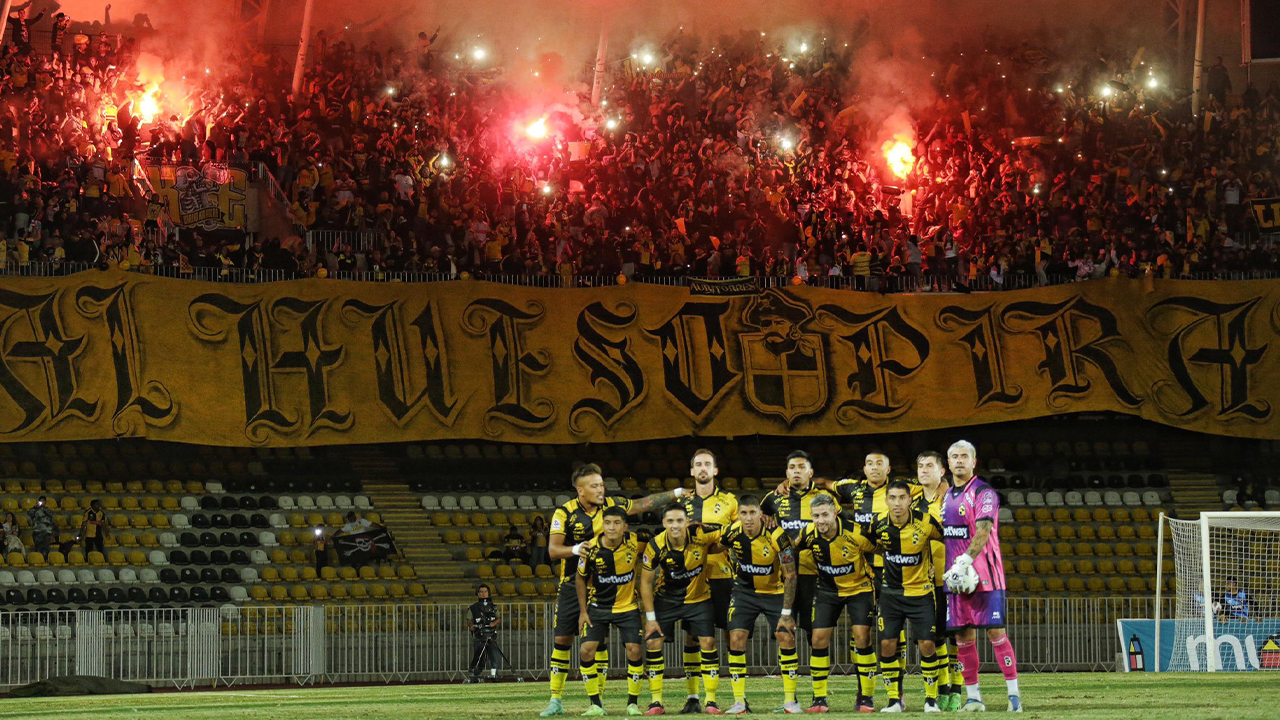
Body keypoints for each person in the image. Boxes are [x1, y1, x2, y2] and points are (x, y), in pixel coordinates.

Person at [541, 465, 691, 717]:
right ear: (580, 490)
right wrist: (576, 549)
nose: (601, 490)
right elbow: (553, 550)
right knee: (563, 640)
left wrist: (676, 493)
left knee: (597, 643)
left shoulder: (613, 504)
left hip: (606, 587)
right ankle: (555, 699)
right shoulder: (565, 512)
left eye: (601, 484)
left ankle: (597, 702)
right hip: (574, 582)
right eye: (594, 486)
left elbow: (644, 504)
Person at [941, 440, 1022, 712]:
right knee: (963, 637)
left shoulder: (983, 492)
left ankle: (1014, 696)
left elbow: (984, 530)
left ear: (974, 462)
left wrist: (964, 561)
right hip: (957, 580)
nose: (959, 460)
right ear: (948, 463)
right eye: (954, 456)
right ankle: (974, 697)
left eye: (964, 456)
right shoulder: (946, 496)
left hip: (985, 576)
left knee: (996, 633)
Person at [793, 493, 876, 713]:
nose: (820, 520)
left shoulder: (855, 532)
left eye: (825, 515)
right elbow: (792, 549)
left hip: (859, 589)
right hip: (827, 590)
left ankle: (866, 697)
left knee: (862, 637)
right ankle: (819, 700)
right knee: (818, 639)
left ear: (835, 513)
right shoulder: (807, 534)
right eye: (816, 516)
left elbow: (879, 549)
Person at [639, 504, 725, 715]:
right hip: (666, 599)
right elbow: (645, 582)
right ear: (663, 523)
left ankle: (710, 701)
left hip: (699, 598)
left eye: (679, 520)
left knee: (707, 642)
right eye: (670, 521)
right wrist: (650, 618)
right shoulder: (655, 545)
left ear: (687, 522)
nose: (675, 525)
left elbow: (730, 532)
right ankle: (656, 702)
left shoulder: (701, 535)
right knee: (653, 642)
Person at [718, 495, 799, 714]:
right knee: (735, 638)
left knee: (785, 636)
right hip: (744, 593)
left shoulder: (777, 535)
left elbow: (790, 574)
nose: (748, 518)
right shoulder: (732, 532)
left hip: (775, 592)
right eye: (743, 513)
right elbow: (716, 546)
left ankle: (790, 701)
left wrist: (786, 612)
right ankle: (739, 702)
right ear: (738, 515)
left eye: (752, 512)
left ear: (760, 514)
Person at [870, 481, 946, 712]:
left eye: (902, 498)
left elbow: (947, 539)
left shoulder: (926, 522)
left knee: (927, 644)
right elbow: (869, 546)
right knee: (887, 644)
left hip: (920, 594)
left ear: (910, 500)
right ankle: (894, 700)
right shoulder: (878, 523)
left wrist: (939, 566)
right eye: (892, 498)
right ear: (886, 500)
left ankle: (931, 700)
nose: (897, 503)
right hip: (890, 595)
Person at [676, 449, 738, 708]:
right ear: (692, 471)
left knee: (731, 634)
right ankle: (693, 698)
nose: (703, 468)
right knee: (693, 637)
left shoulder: (730, 501)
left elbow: (738, 535)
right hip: (692, 578)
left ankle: (738, 697)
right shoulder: (682, 504)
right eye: (698, 464)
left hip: (722, 574)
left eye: (707, 464)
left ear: (715, 470)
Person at [760, 451, 839, 647]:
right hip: (785, 576)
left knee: (816, 634)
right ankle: (789, 667)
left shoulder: (825, 498)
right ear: (786, 473)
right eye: (792, 468)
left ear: (810, 473)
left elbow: (839, 525)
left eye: (802, 467)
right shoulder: (773, 498)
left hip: (816, 575)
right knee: (784, 632)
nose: (797, 471)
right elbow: (756, 515)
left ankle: (817, 667)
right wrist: (764, 516)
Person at [575, 506, 647, 717]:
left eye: (616, 523)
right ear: (602, 525)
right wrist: (583, 611)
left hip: (628, 607)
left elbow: (661, 543)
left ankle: (632, 704)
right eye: (607, 523)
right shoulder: (590, 548)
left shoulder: (636, 542)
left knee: (634, 650)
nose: (611, 527)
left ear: (625, 527)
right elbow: (579, 578)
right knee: (586, 650)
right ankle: (595, 704)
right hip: (598, 607)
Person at [916, 451, 961, 710]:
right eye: (920, 466)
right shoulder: (913, 503)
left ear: (942, 471)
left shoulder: (954, 498)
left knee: (958, 636)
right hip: (926, 581)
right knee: (936, 637)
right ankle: (943, 688)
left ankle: (958, 689)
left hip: (953, 578)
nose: (924, 470)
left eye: (930, 466)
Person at [467, 584, 502, 681]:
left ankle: (495, 675)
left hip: (491, 635)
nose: (483, 594)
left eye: (485, 592)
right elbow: (469, 620)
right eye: (481, 592)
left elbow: (498, 618)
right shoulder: (473, 608)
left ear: (488, 593)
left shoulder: (493, 607)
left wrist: (493, 623)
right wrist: (471, 626)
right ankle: (475, 676)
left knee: (494, 657)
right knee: (479, 658)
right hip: (479, 636)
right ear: (478, 594)